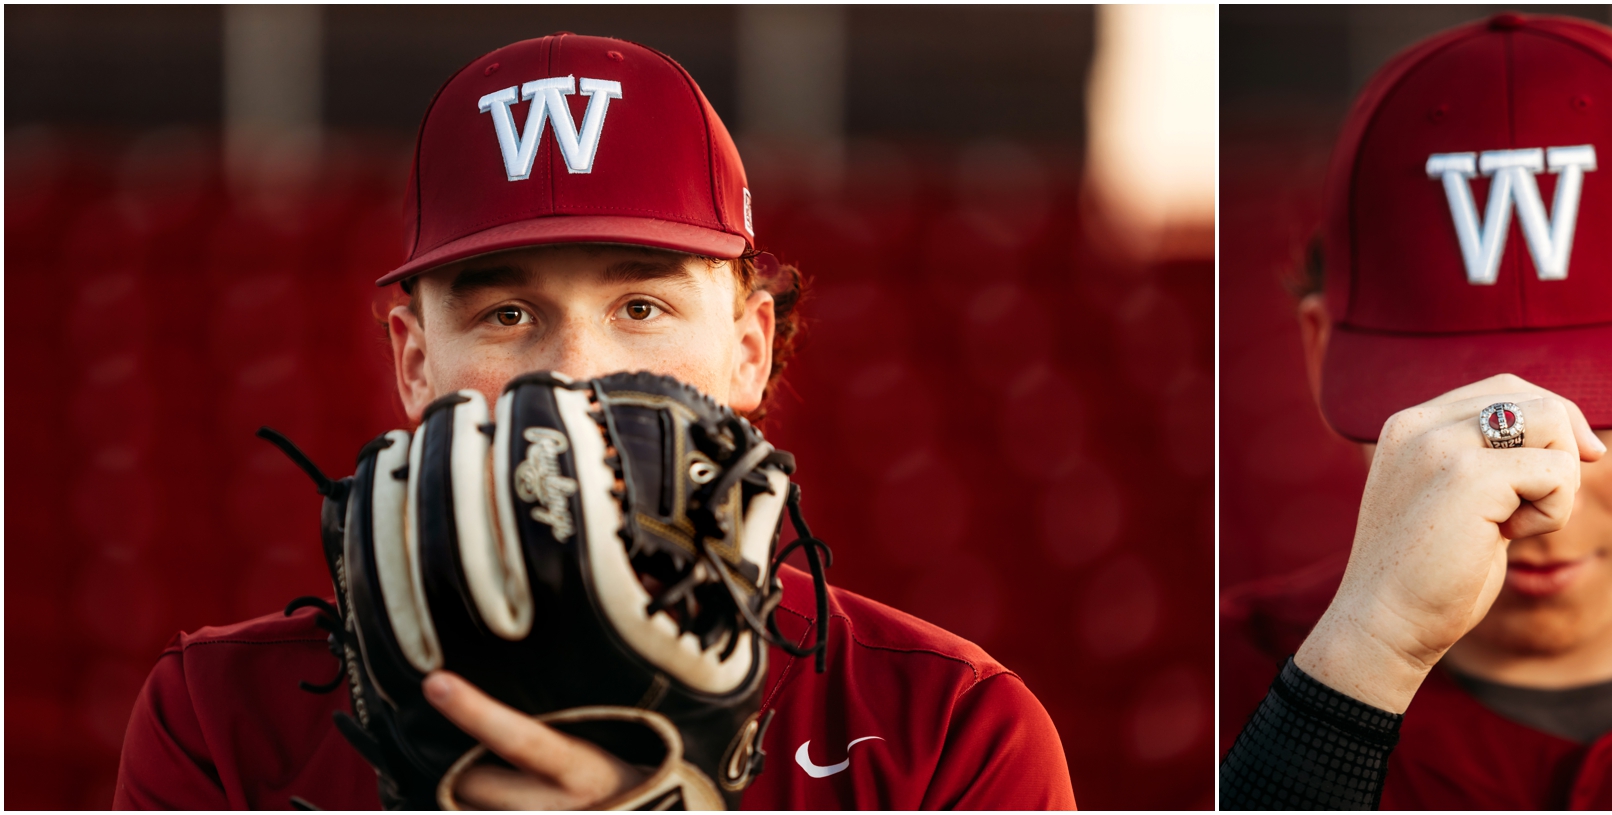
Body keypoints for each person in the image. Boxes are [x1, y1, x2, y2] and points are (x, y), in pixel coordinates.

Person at [113, 33, 1076, 810]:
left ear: (749, 346)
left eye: (641, 308)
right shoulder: (218, 714)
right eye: (507, 315)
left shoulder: (952, 729)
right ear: (415, 360)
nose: (574, 375)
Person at [1218, 13, 1612, 810]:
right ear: (1321, 350)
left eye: (1610, 409)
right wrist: (1359, 668)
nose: (1541, 501)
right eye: (1469, 425)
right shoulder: (1217, 683)